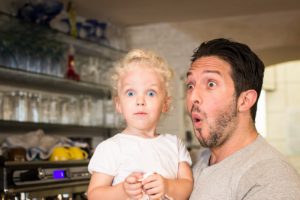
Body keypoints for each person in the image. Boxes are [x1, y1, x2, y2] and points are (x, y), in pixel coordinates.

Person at [186, 38, 300, 199]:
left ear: (245, 101)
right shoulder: (198, 162)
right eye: (190, 85)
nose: (193, 97)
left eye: (211, 84)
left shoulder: (270, 178)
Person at [87, 49, 193, 200]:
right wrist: (122, 191)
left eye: (151, 93)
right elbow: (94, 195)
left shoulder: (174, 145)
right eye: (130, 93)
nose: (140, 101)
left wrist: (168, 186)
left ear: (165, 104)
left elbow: (187, 186)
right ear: (118, 104)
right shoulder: (110, 148)